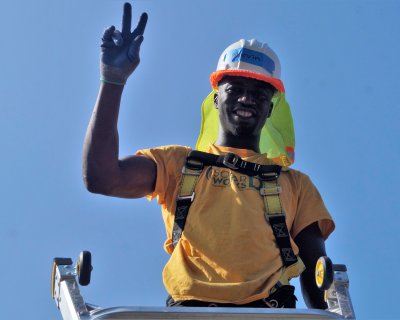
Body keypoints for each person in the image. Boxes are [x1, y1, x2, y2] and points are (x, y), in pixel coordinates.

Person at [83, 2, 335, 310]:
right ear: (216, 99)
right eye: (236, 88)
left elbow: (316, 272)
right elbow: (102, 178)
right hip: (191, 312)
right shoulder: (177, 164)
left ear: (270, 109)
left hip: (270, 312)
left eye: (259, 94)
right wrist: (113, 80)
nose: (246, 98)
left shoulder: (296, 185)